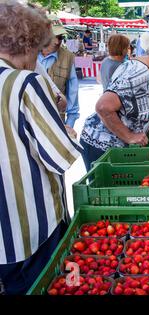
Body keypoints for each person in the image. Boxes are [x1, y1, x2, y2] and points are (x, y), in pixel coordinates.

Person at [0, 1, 82, 295]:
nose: (37, 57)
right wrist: (68, 131)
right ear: (26, 42)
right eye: (37, 48)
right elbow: (60, 157)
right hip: (32, 225)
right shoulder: (24, 82)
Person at [80, 25, 149, 171]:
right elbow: (103, 106)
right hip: (102, 146)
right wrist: (128, 136)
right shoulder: (139, 73)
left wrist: (143, 123)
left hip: (114, 147)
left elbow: (131, 101)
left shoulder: (148, 69)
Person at [38, 30, 80, 128]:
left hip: (56, 122)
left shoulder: (67, 57)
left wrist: (69, 125)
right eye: (53, 37)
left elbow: (73, 94)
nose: (57, 42)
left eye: (60, 37)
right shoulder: (27, 54)